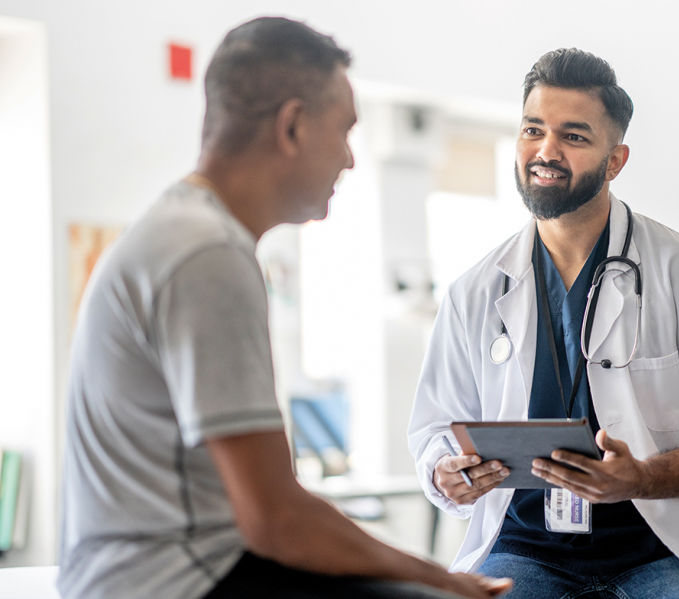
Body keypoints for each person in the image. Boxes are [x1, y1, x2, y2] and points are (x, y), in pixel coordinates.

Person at [57, 17, 511, 599]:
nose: (349, 159)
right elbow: (276, 519)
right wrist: (439, 576)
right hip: (174, 580)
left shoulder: (184, 232)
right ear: (292, 126)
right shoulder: (206, 253)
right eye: (345, 131)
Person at [408, 48, 679, 599]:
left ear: (615, 160)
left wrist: (643, 478)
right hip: (524, 548)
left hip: (664, 549)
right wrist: (446, 472)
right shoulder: (476, 290)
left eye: (574, 137)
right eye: (533, 130)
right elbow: (434, 428)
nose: (546, 151)